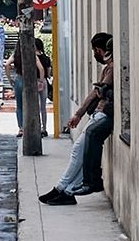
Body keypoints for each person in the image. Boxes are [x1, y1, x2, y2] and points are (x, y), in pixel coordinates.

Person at [40, 34, 115, 206]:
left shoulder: (111, 68)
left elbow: (97, 92)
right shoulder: (108, 68)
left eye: (96, 51)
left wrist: (79, 113)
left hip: (102, 113)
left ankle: (64, 189)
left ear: (100, 50)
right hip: (98, 114)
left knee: (79, 152)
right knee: (81, 152)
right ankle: (65, 189)